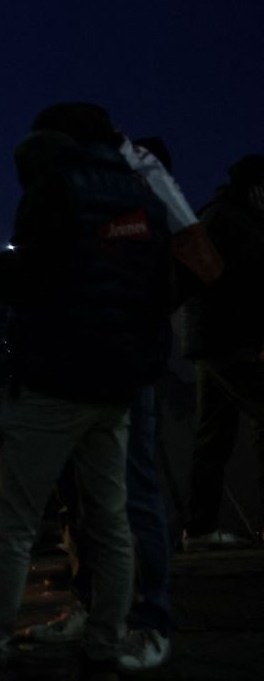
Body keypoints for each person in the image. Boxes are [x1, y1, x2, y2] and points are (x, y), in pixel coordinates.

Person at [0, 103, 174, 681]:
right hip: (118, 385)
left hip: (53, 380)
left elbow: (28, 283)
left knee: (15, 524)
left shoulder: (54, 190)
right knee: (111, 521)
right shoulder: (144, 196)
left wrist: (9, 270)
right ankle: (106, 641)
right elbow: (162, 287)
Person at [20, 137, 204, 673]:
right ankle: (105, 610)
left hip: (115, 365)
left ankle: (144, 618)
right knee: (90, 493)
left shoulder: (136, 202)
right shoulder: (130, 201)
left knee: (126, 491)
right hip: (99, 362)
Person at [182, 154, 264, 549]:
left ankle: (199, 528)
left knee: (213, 436)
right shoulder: (234, 222)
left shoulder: (218, 216)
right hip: (229, 340)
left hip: (211, 340)